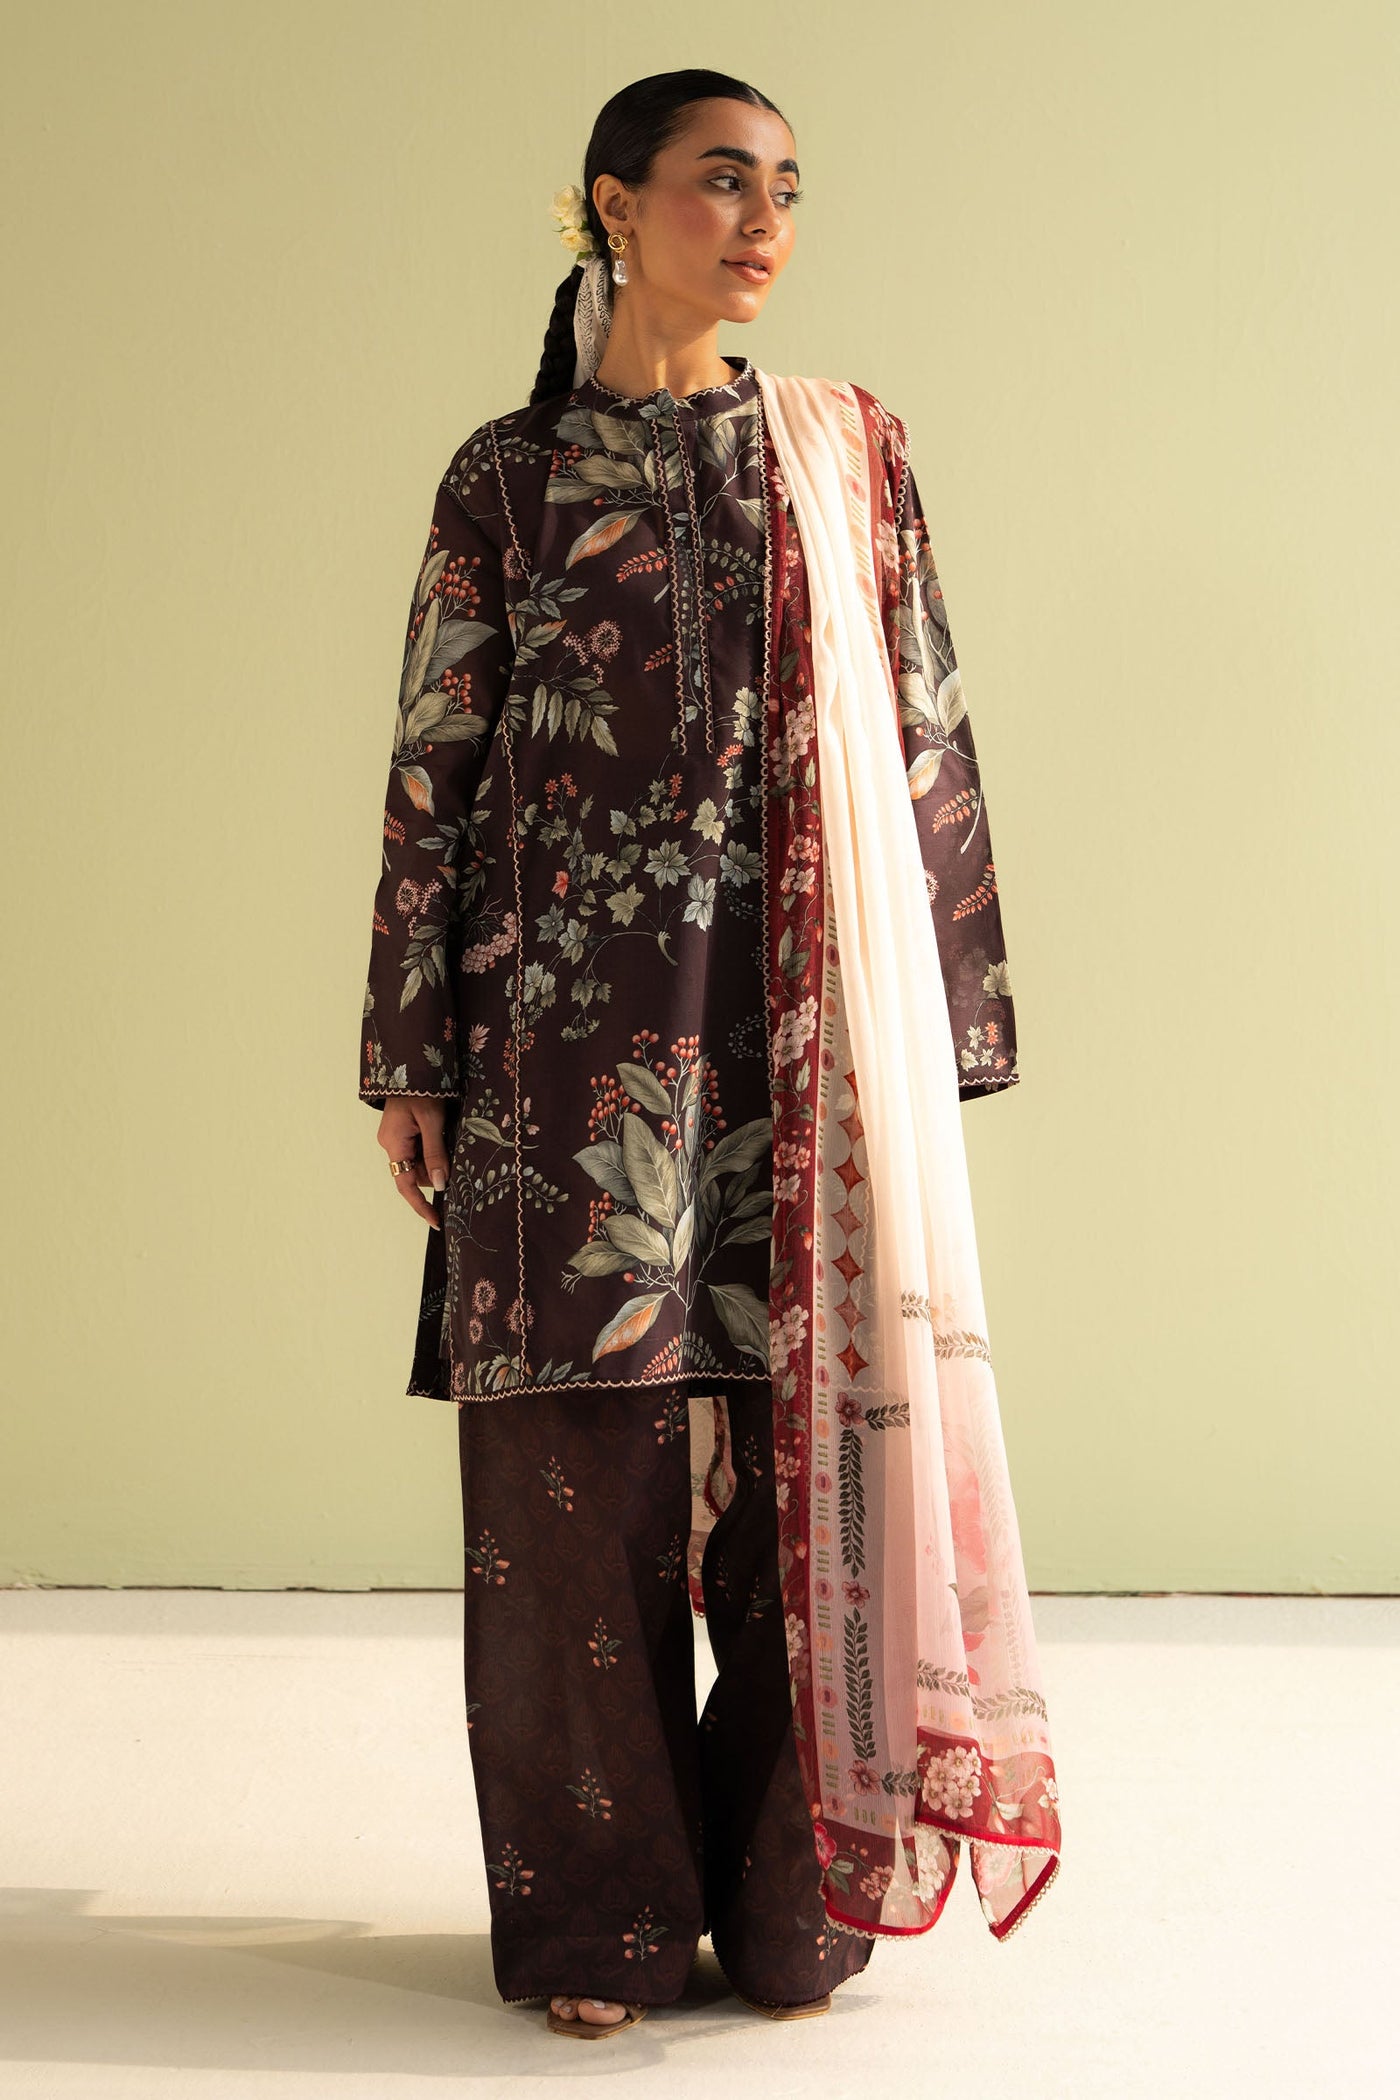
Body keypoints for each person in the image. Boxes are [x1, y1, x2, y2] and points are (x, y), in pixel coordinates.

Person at [358, 69, 1059, 2043]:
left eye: (787, 191)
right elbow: (435, 765)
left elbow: (921, 724)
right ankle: (595, 1926)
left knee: (802, 1480)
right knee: (570, 1494)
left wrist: (949, 1031)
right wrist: (413, 1050)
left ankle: (787, 1911)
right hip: (559, 1048)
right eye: (721, 182)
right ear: (614, 204)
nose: (763, 223)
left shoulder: (844, 454)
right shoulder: (508, 475)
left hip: (802, 1045)